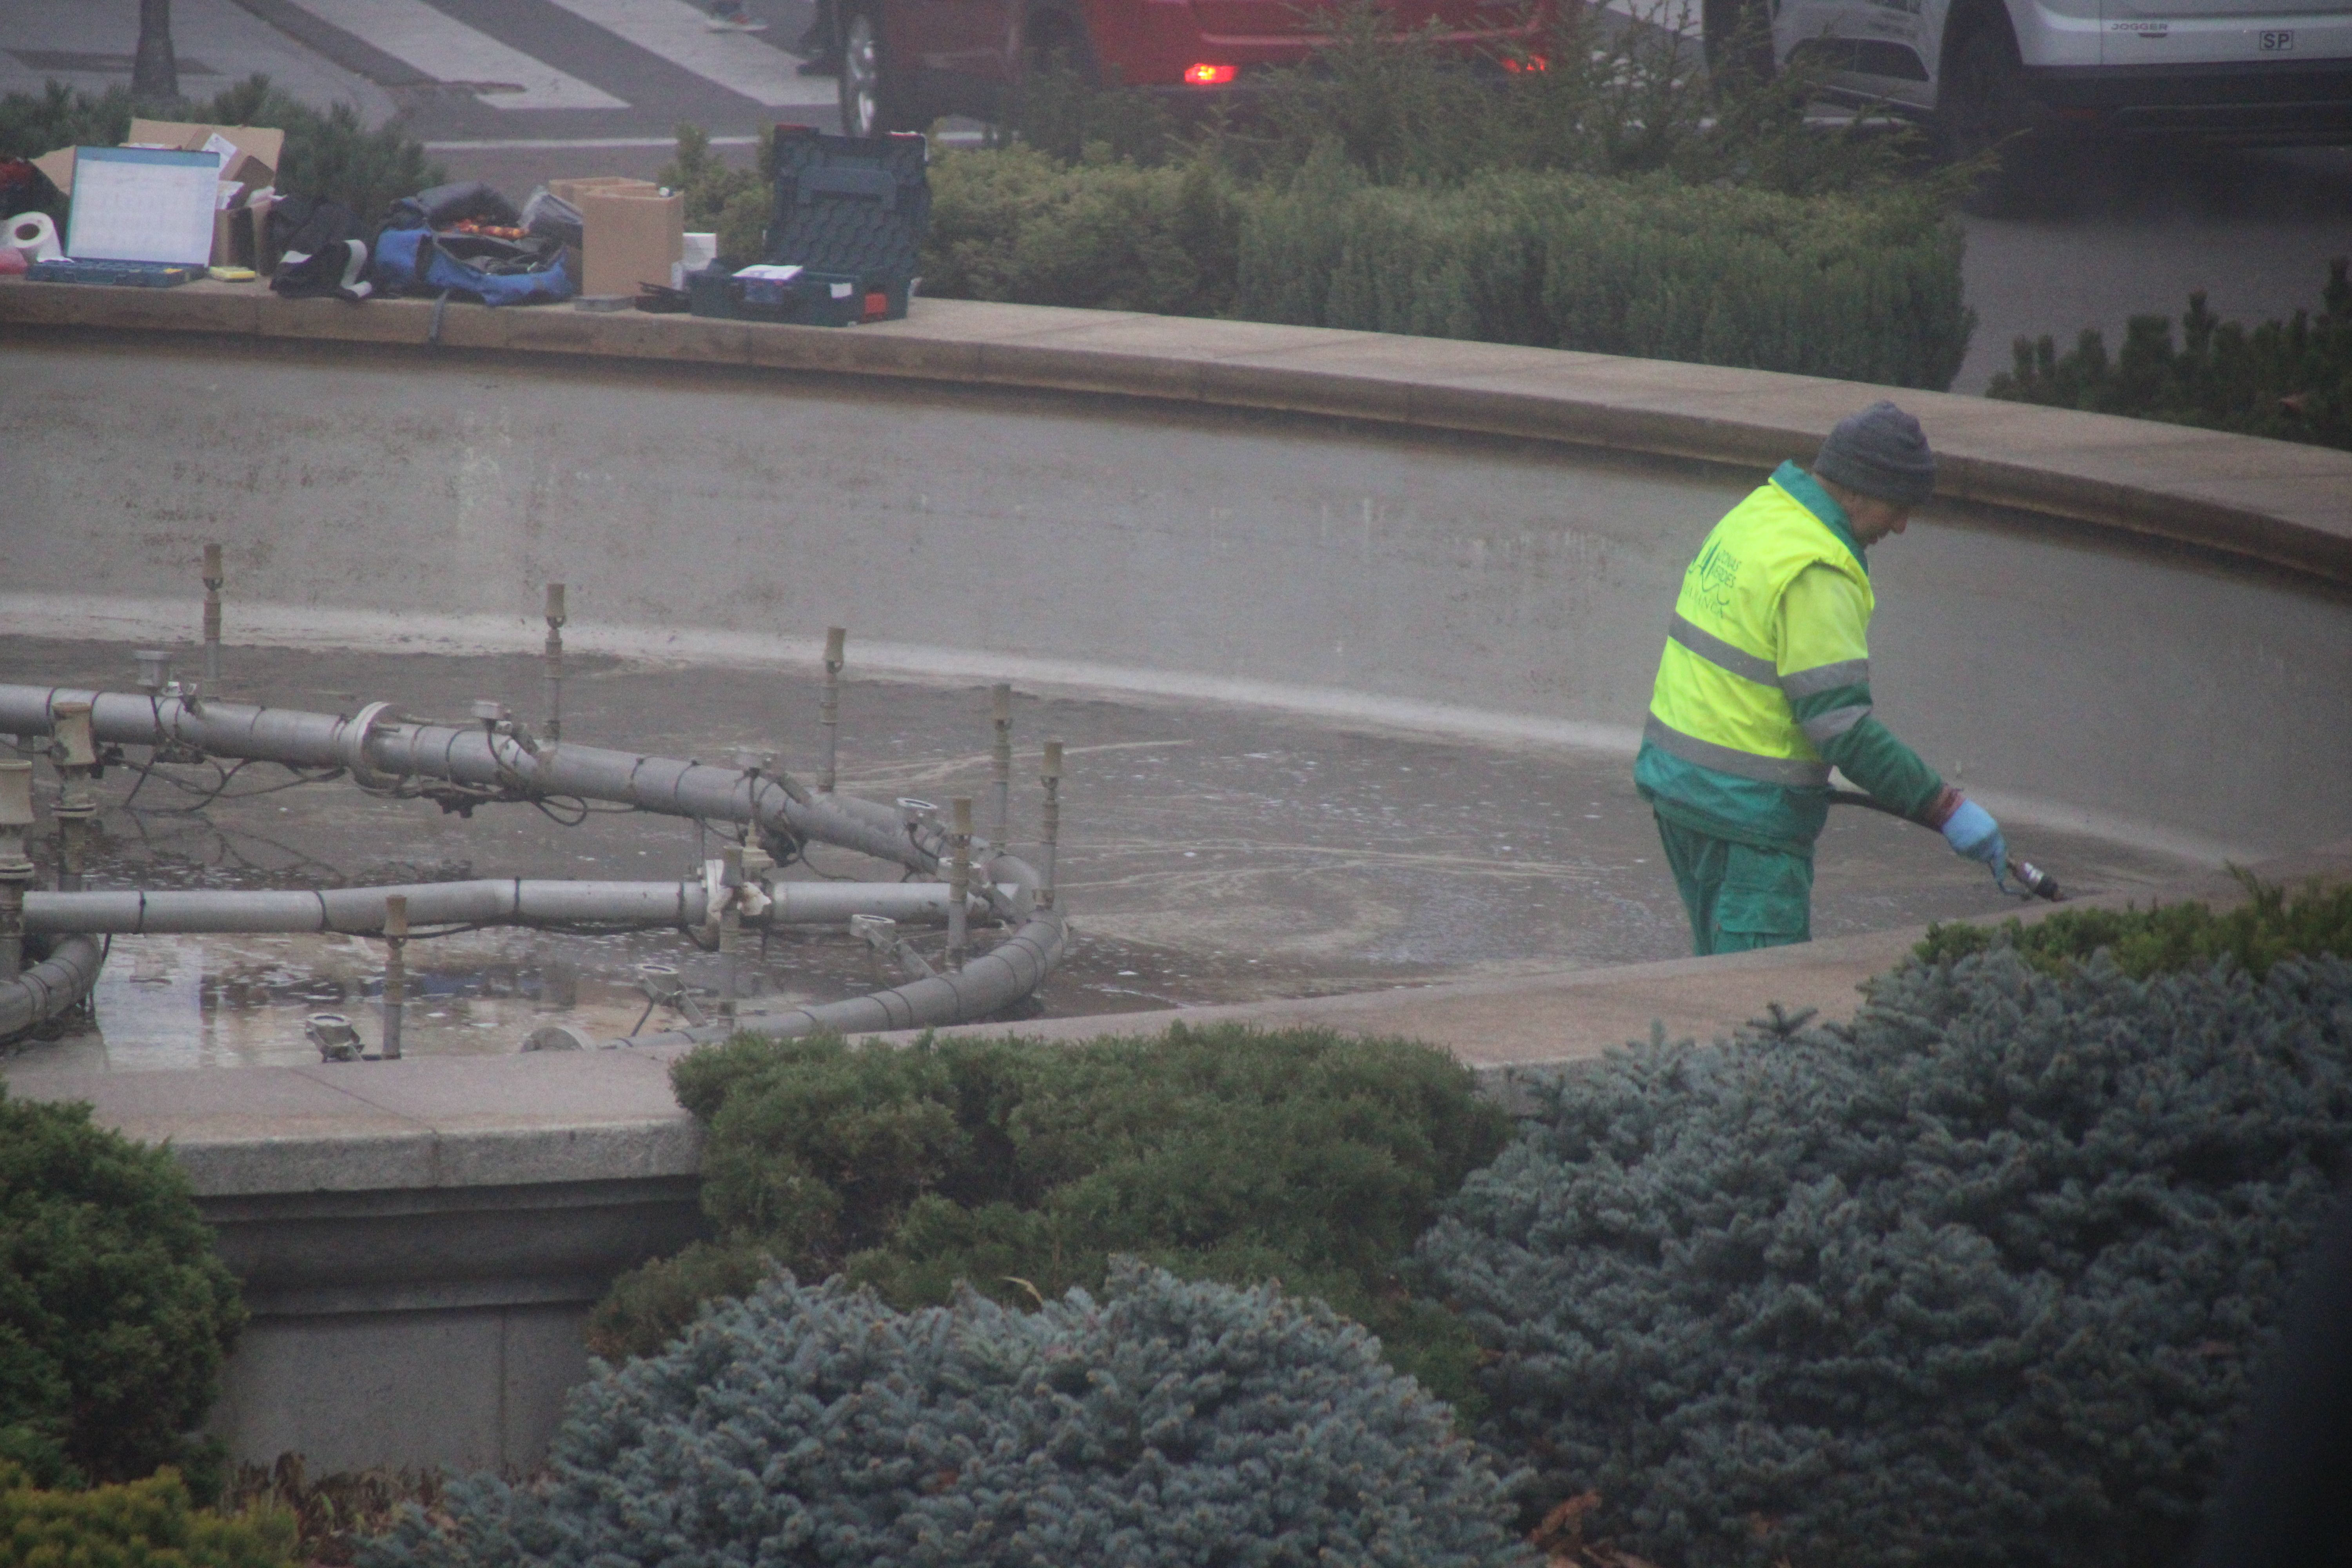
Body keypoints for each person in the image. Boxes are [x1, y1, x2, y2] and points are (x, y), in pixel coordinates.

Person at [1634, 399, 2007, 956]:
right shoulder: (1819, 568)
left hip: (1683, 796)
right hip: (1748, 823)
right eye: (1898, 507)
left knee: (1712, 988)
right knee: (1760, 1013)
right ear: (1856, 490)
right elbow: (1844, 731)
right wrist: (1945, 807)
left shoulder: (1761, 514)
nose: (1902, 526)